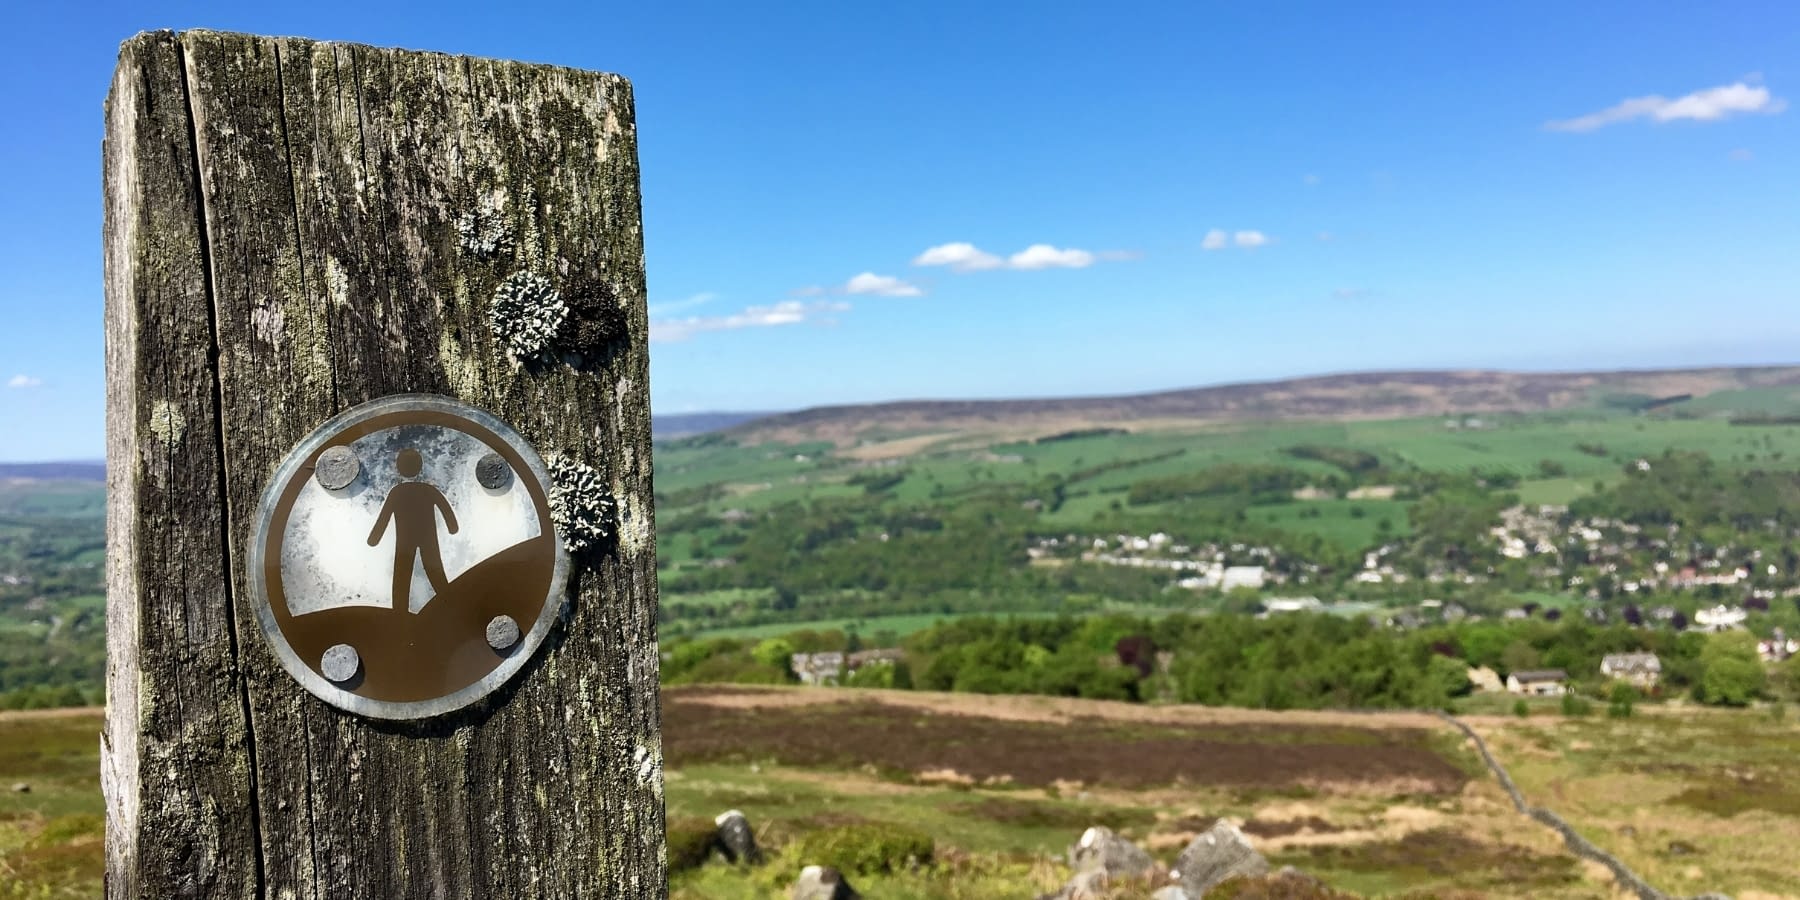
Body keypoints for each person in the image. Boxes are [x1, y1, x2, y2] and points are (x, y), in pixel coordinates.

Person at [367, 448, 459, 611]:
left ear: (399, 468)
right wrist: (452, 527)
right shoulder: (428, 490)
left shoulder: (396, 492)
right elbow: (446, 509)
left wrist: (374, 539)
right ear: (420, 466)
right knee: (435, 572)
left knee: (402, 576)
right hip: (428, 539)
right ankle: (450, 605)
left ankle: (399, 611)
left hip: (405, 542)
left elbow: (384, 518)